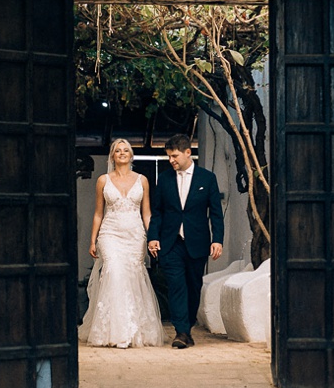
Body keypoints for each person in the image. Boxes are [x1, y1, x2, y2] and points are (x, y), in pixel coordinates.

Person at [77, 139, 165, 348]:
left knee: (132, 277)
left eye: (126, 150)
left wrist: (152, 237)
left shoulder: (142, 180)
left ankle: (134, 329)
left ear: (131, 155)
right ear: (112, 155)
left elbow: (147, 213)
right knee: (114, 273)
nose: (122, 153)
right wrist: (93, 239)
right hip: (110, 234)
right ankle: (114, 332)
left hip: (135, 235)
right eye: (118, 150)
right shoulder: (103, 180)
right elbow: (99, 213)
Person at [147, 134, 224, 349]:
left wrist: (217, 239)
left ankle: (187, 327)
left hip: (197, 242)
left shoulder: (207, 178)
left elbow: (216, 213)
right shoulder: (164, 179)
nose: (171, 160)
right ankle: (180, 332)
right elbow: (158, 212)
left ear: (187, 152)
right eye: (169, 156)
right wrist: (153, 236)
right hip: (171, 243)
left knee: (193, 286)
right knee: (175, 286)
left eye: (174, 156)